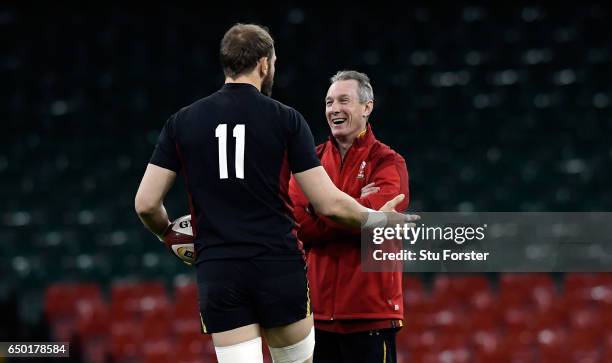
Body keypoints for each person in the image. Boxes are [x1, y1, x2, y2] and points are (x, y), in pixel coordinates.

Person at [134, 24, 417, 363]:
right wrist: (376, 219)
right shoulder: (287, 119)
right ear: (265, 64)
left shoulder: (181, 122)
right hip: (278, 267)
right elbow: (328, 204)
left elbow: (146, 204)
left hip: (220, 271)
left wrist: (168, 234)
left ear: (226, 63)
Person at [288, 70, 409, 363]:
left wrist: (321, 207)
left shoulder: (388, 162)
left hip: (371, 315)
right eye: (329, 102)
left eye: (344, 100)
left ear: (367, 107)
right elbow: (296, 224)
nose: (334, 109)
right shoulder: (309, 161)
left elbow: (382, 223)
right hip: (317, 319)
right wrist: (357, 209)